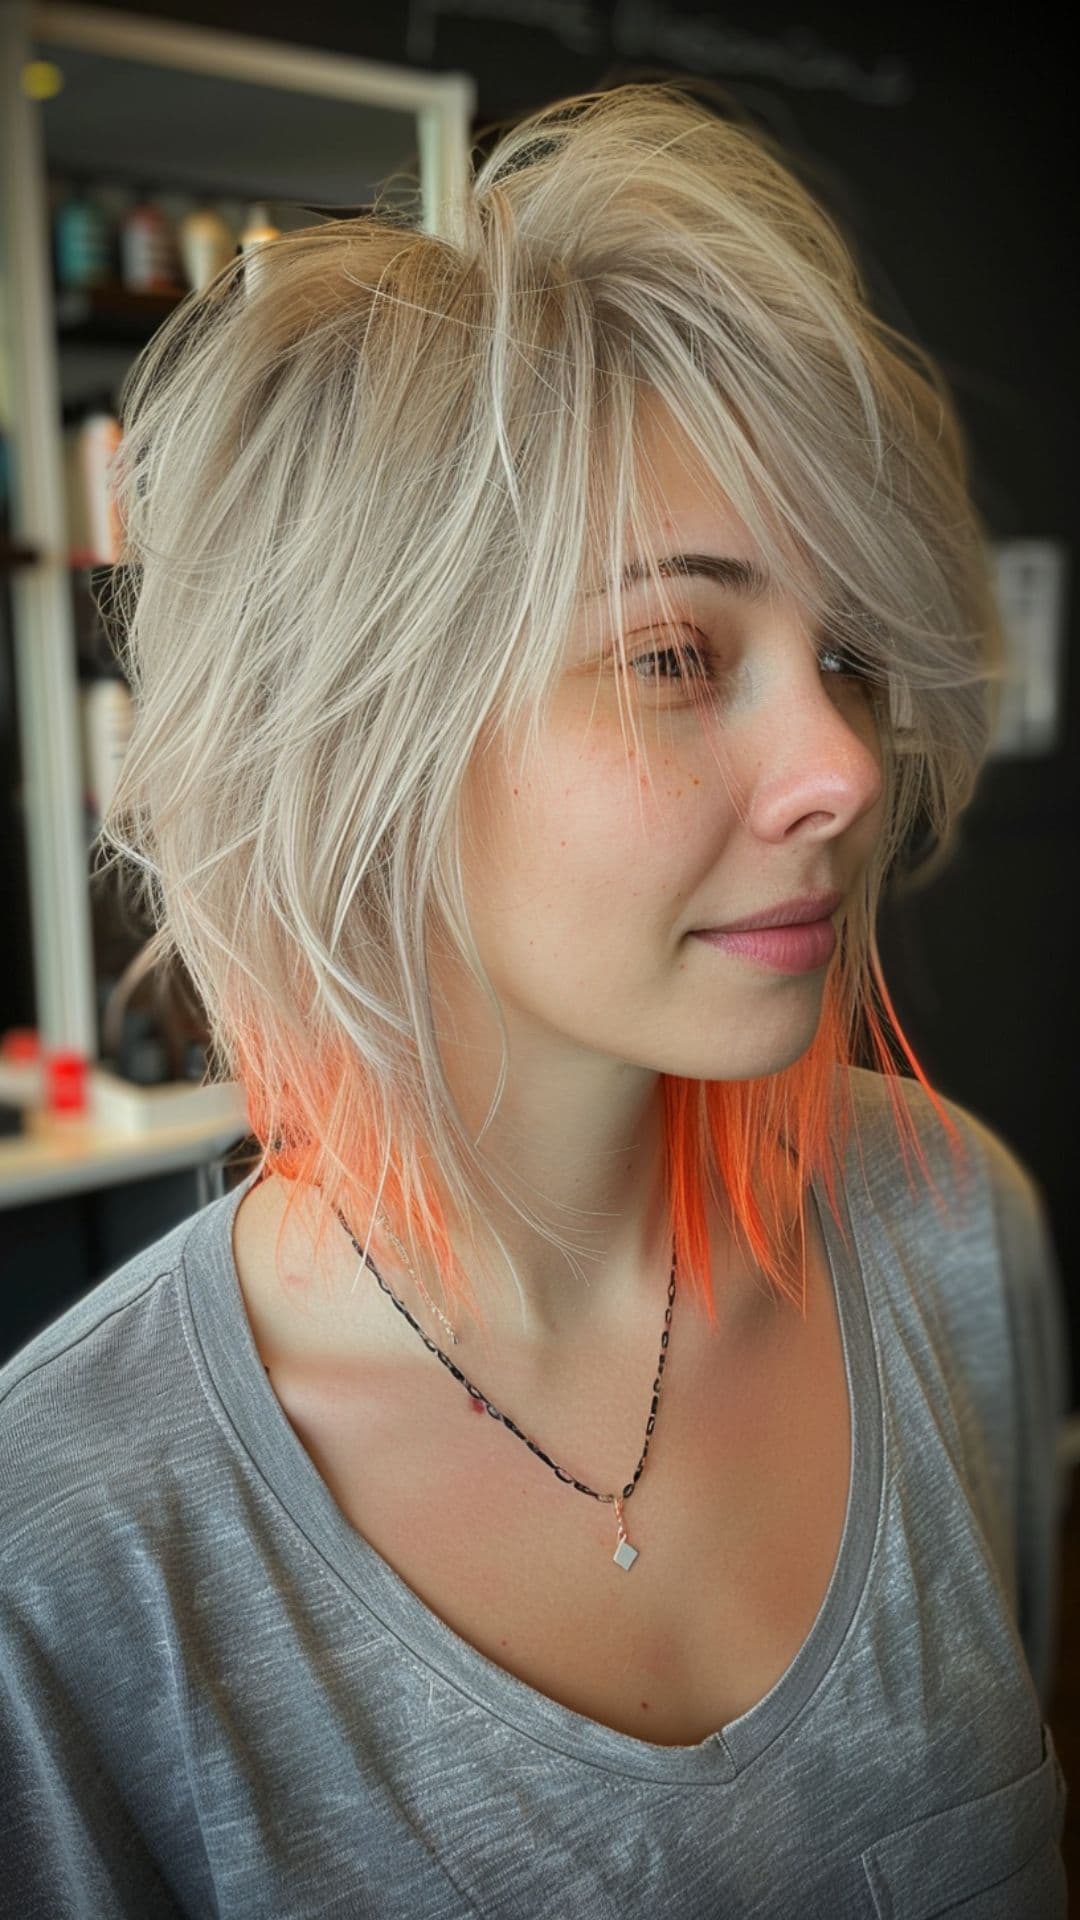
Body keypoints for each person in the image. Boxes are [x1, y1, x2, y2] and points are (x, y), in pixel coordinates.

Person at [0, 80, 1070, 1919]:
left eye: (844, 655)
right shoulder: (69, 1556)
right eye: (675, 653)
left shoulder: (955, 1233)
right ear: (365, 744)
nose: (840, 764)